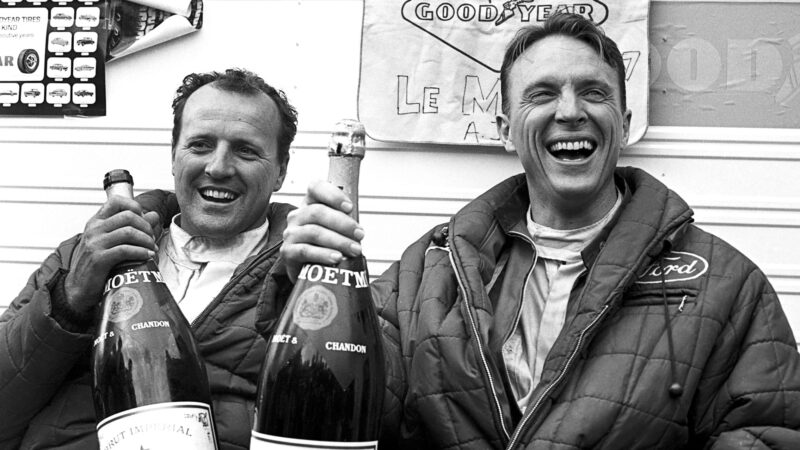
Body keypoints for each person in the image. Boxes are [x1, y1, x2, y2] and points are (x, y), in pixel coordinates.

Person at [278, 13, 800, 449]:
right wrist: (300, 293)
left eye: (593, 93)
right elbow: (351, 401)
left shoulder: (725, 283)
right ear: (506, 128)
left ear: (625, 119)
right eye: (542, 94)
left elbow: (766, 433)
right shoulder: (427, 272)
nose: (570, 112)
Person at [0, 68, 298, 450]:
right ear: (174, 156)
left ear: (280, 172)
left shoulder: (304, 271)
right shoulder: (85, 254)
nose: (219, 167)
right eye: (201, 145)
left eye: (245, 150)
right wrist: (70, 299)